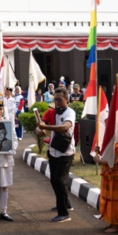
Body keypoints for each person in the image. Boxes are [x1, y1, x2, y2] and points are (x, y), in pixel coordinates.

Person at [37, 87, 75, 222]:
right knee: (54, 180)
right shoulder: (51, 111)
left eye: (59, 99)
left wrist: (45, 128)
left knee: (59, 180)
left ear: (66, 99)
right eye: (55, 99)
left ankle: (64, 213)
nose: (57, 102)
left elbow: (65, 127)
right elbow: (40, 126)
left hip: (66, 152)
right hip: (53, 151)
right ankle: (67, 204)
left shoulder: (70, 113)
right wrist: (39, 130)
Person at [93, 138, 118, 234]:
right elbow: (107, 155)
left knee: (115, 199)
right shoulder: (111, 141)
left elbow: (114, 161)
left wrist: (99, 160)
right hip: (108, 174)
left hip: (115, 176)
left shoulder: (117, 143)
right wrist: (98, 151)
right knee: (108, 198)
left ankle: (117, 224)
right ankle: (112, 221)